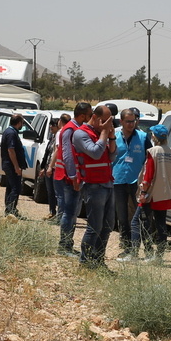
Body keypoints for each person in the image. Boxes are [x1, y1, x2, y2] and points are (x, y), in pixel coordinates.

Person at [72, 104, 116, 270]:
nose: (107, 125)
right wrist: (104, 133)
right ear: (97, 118)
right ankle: (85, 262)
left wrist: (110, 136)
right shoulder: (81, 134)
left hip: (107, 183)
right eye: (105, 122)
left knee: (107, 225)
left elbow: (112, 155)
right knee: (94, 226)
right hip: (93, 185)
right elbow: (95, 153)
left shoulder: (101, 133)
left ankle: (98, 261)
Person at [113, 108, 148, 261]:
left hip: (137, 182)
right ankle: (127, 247)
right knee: (122, 216)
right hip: (118, 180)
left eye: (133, 121)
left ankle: (140, 249)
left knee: (139, 217)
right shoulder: (113, 135)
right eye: (127, 121)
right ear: (121, 121)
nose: (131, 124)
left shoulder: (143, 137)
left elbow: (150, 159)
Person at [58, 103, 92, 255]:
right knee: (69, 212)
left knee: (73, 213)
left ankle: (68, 245)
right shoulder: (70, 130)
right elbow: (67, 154)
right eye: (90, 114)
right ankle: (64, 246)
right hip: (69, 178)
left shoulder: (76, 128)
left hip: (75, 177)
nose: (91, 117)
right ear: (83, 115)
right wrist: (73, 177)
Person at [138, 124, 171, 261]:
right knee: (161, 224)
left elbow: (148, 175)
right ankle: (159, 255)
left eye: (152, 134)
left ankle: (148, 253)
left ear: (155, 136)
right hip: (165, 193)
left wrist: (143, 192)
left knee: (144, 223)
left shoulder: (153, 151)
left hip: (151, 194)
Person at [0, 112, 28, 218]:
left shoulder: (9, 131)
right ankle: (11, 211)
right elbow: (11, 150)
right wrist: (16, 166)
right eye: (22, 123)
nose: (22, 125)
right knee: (15, 188)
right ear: (19, 122)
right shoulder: (11, 133)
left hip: (9, 165)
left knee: (10, 187)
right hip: (11, 166)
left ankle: (9, 210)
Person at [43, 114, 69, 221]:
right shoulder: (71, 131)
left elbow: (57, 150)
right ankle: (62, 216)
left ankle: (60, 218)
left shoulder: (60, 133)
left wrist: (50, 166)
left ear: (60, 121)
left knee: (60, 195)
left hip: (58, 168)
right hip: (67, 166)